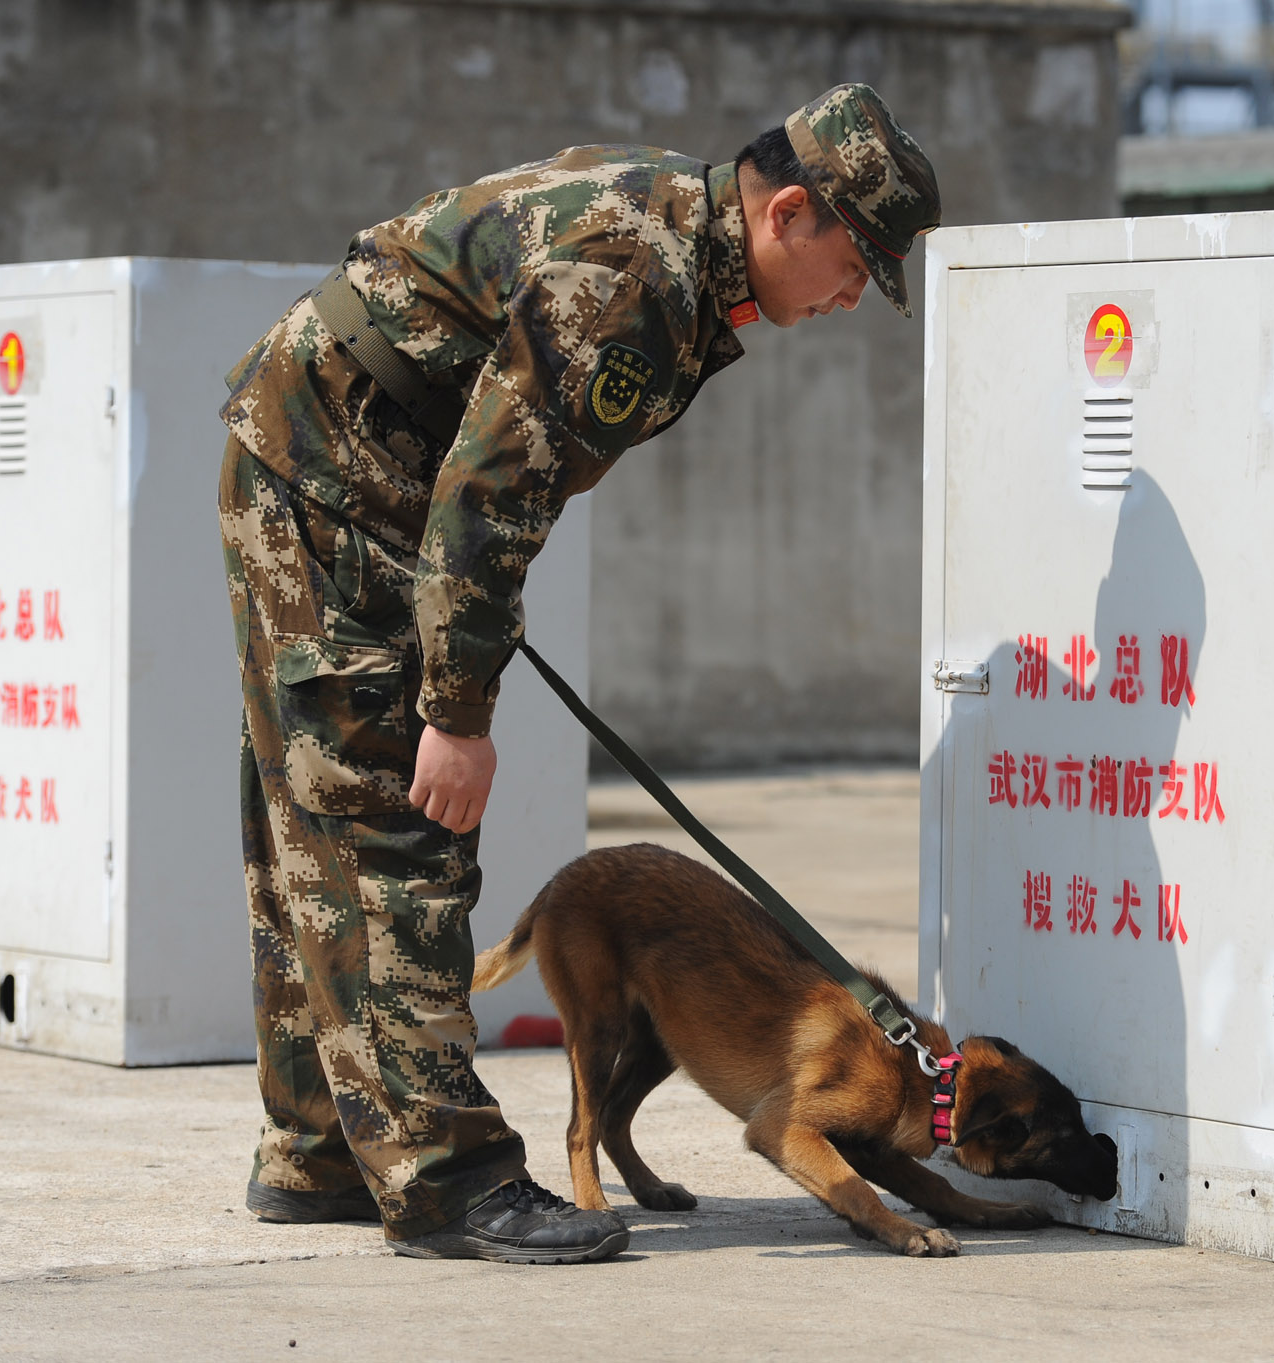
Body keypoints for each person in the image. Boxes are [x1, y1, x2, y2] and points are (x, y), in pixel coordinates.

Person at [215, 84, 940, 1264]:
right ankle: (445, 1177)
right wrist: (454, 713)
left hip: (336, 473)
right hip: (334, 484)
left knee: (313, 829)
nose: (855, 295)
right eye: (857, 262)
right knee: (386, 825)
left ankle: (324, 1148)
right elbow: (491, 494)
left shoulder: (678, 247)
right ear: (791, 211)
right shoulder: (634, 278)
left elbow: (498, 470)